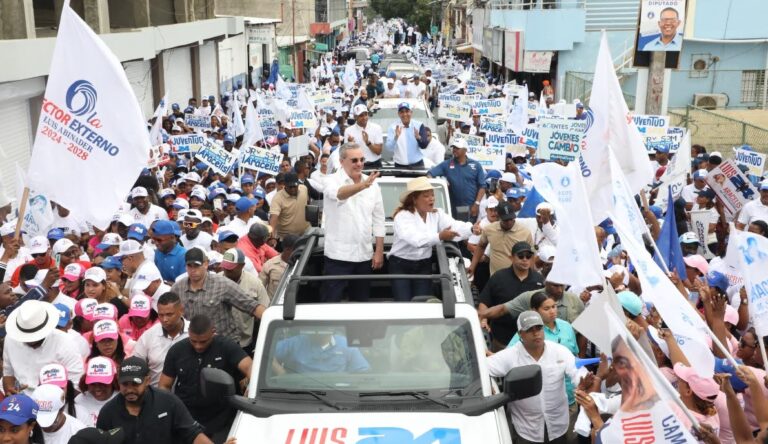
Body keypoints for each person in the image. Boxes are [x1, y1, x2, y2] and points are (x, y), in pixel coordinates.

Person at [487, 311, 578, 444]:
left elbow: (576, 372)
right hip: (527, 430)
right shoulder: (509, 356)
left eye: (539, 328)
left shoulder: (560, 351)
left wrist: (583, 382)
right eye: (530, 330)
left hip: (558, 425)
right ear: (520, 334)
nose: (536, 333)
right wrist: (488, 383)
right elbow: (482, 368)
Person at [160, 315, 252, 442]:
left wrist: (251, 386)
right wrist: (169, 409)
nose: (198, 346)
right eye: (193, 341)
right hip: (187, 418)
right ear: (189, 334)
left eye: (203, 341)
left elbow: (249, 366)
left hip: (221, 417)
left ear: (213, 332)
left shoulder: (226, 346)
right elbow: (164, 385)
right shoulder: (177, 350)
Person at [389, 177, 476, 301]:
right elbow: (416, 240)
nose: (432, 199)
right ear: (414, 199)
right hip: (401, 265)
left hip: (423, 265)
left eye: (432, 195)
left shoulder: (437, 214)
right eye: (426, 196)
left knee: (423, 302)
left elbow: (454, 225)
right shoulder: (402, 217)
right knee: (403, 303)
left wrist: (471, 229)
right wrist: (440, 236)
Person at [321, 143, 385, 302]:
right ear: (342, 161)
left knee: (361, 305)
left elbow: (379, 218)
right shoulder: (330, 180)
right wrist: (363, 185)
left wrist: (379, 251)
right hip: (338, 257)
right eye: (354, 160)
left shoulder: (373, 184)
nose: (359, 164)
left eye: (362, 159)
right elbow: (339, 194)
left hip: (364, 256)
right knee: (331, 305)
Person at [96, 356, 213, 444]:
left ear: (147, 381)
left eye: (135, 384)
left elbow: (192, 434)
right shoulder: (108, 412)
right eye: (125, 384)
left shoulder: (168, 402)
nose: (129, 389)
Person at [170, 248, 265, 342]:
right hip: (193, 343)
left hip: (222, 344)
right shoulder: (177, 288)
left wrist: (274, 322)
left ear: (206, 264)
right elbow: (168, 313)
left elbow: (251, 306)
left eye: (196, 266)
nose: (193, 270)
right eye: (189, 266)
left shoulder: (222, 284)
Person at [3, 300, 84, 396]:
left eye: (33, 337)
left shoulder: (66, 342)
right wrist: (10, 390)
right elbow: (8, 373)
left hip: (57, 400)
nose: (29, 340)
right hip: (21, 399)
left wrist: (50, 402)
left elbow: (76, 384)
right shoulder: (11, 339)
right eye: (24, 336)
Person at [478, 242, 544, 351]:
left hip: (530, 339)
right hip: (501, 338)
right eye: (521, 256)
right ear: (511, 258)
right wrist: (483, 320)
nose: (525, 259)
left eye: (528, 256)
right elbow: (484, 301)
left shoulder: (539, 280)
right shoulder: (499, 277)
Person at [131, 292, 190, 386]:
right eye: (161, 315)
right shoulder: (148, 336)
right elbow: (136, 367)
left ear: (181, 311)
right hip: (156, 395)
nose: (164, 319)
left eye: (169, 314)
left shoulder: (194, 333)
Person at [219, 248, 270, 349]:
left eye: (230, 268)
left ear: (242, 265)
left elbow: (266, 311)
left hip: (245, 342)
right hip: (221, 342)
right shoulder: (216, 281)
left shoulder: (255, 283)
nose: (227, 271)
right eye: (225, 267)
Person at [469, 202, 534, 277]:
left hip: (518, 279)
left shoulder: (525, 232)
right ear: (498, 216)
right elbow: (481, 246)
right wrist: (472, 267)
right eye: (505, 220)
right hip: (495, 278)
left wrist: (531, 276)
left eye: (511, 219)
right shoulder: (489, 229)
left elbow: (531, 255)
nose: (509, 222)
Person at [428, 138, 486, 221]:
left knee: (468, 230)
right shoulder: (447, 164)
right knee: (456, 231)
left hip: (470, 207)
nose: (454, 150)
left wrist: (476, 204)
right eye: (453, 148)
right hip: (452, 207)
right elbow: (430, 174)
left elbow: (482, 186)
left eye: (457, 148)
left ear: (465, 150)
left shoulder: (476, 165)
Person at [272, 330, 370, 374]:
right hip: (301, 393)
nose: (321, 331)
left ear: (333, 329)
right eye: (317, 328)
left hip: (340, 393)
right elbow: (267, 351)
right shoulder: (296, 342)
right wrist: (281, 373)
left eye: (326, 327)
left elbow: (362, 372)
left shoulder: (346, 344)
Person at [75, 357, 119, 427]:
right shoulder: (79, 401)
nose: (97, 389)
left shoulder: (122, 400)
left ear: (113, 381)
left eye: (102, 383)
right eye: (92, 384)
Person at [268, 172, 310, 241]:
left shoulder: (304, 189)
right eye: (290, 187)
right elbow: (273, 218)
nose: (293, 189)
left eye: (295, 186)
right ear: (285, 185)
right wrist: (272, 237)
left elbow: (307, 203)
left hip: (305, 234)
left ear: (298, 184)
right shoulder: (277, 198)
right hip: (287, 239)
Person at [383, 102, 426, 168]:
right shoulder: (393, 127)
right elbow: (389, 148)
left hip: (417, 165)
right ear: (398, 114)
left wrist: (418, 138)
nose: (405, 114)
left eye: (407, 111)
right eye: (402, 112)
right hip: (400, 166)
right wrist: (396, 138)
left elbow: (424, 145)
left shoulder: (419, 125)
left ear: (411, 112)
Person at [344, 104, 384, 168]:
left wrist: (368, 143)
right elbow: (346, 154)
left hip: (375, 165)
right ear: (355, 117)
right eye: (361, 115)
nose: (364, 117)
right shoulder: (348, 131)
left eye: (366, 114)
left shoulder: (377, 128)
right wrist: (350, 144)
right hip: (357, 165)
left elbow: (378, 151)